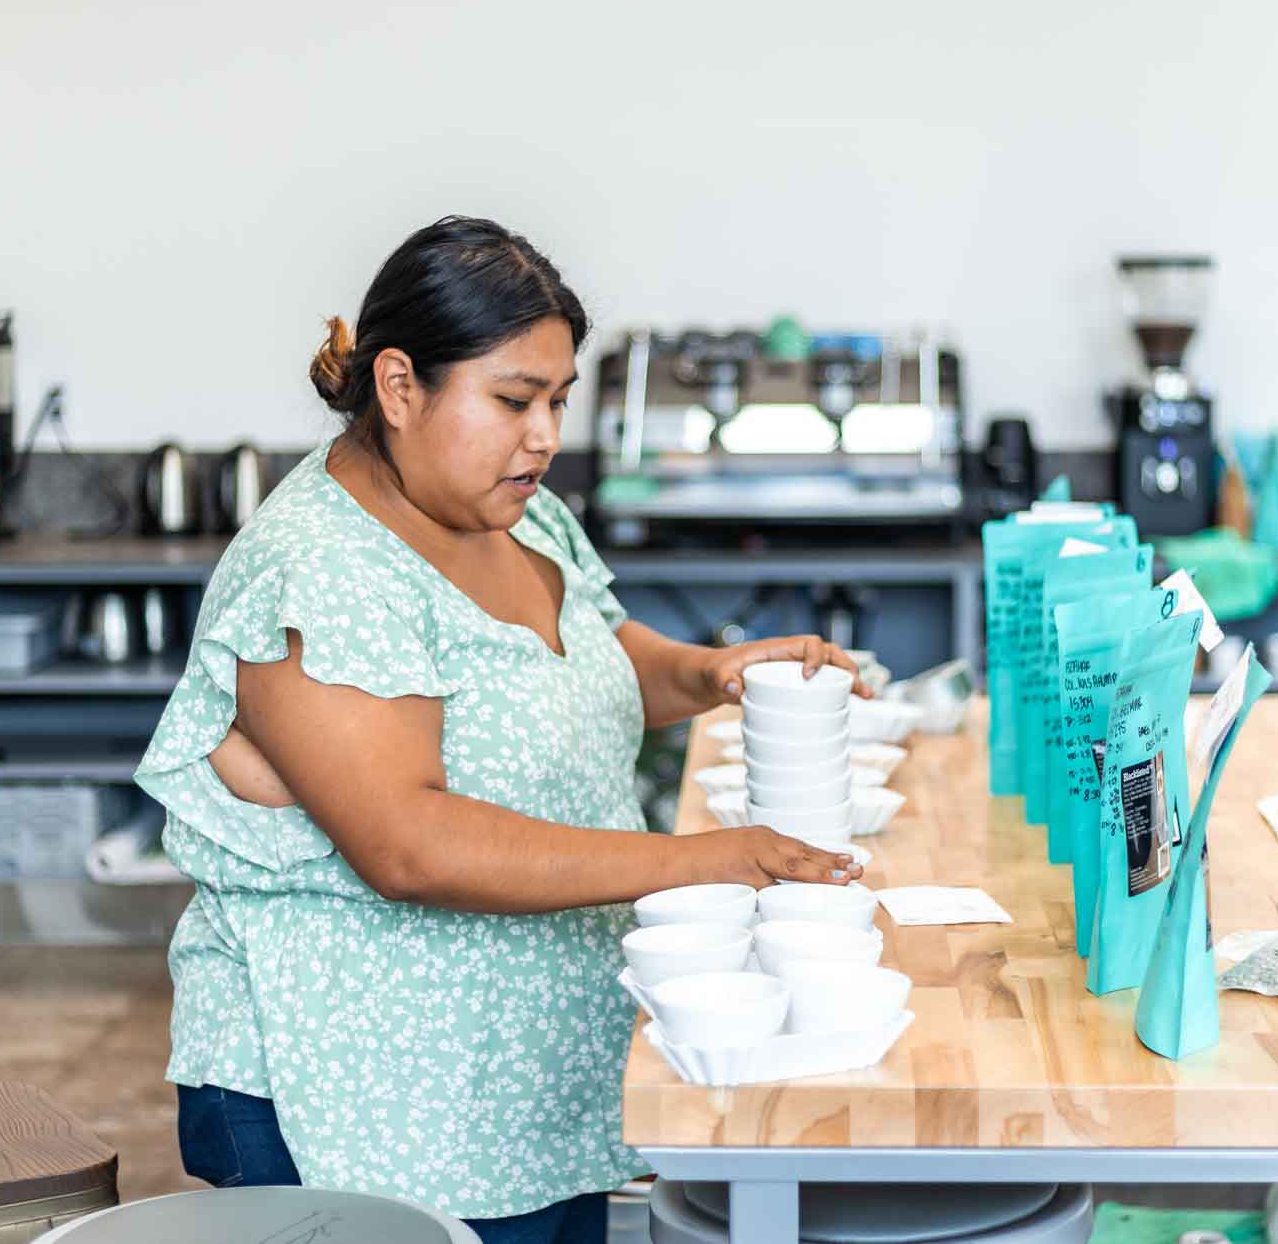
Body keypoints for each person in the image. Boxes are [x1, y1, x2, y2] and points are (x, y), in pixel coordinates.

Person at [134, 216, 865, 1243]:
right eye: (514, 401)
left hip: (515, 1085)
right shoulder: (321, 572)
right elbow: (407, 844)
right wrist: (702, 860)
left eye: (557, 401)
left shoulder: (511, 512)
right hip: (356, 1097)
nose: (545, 437)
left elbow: (583, 659)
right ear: (397, 388)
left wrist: (705, 673)